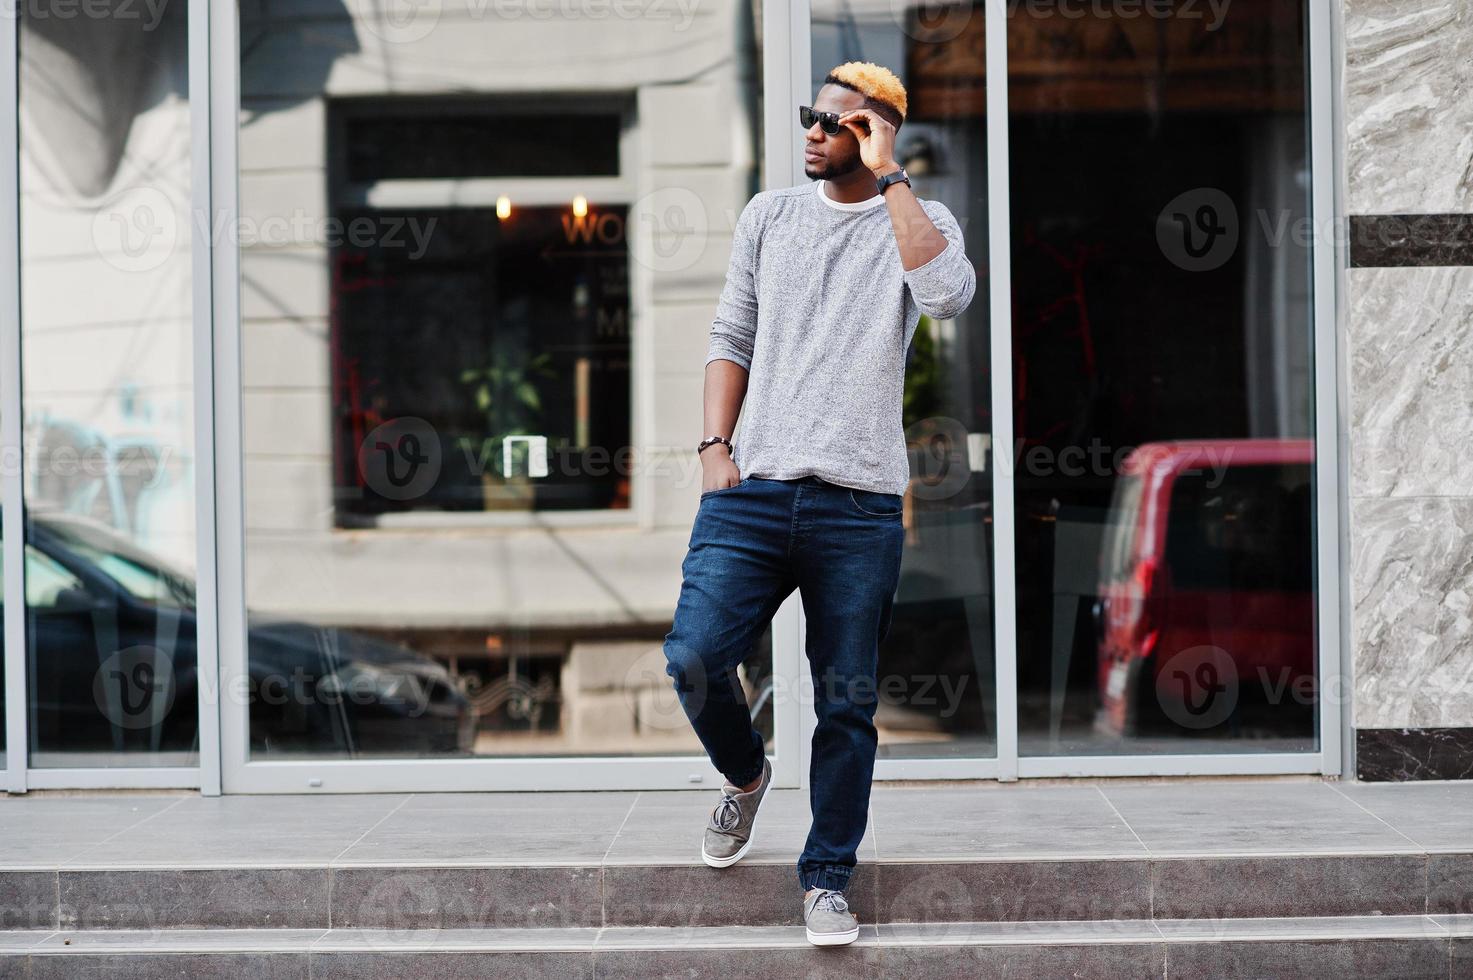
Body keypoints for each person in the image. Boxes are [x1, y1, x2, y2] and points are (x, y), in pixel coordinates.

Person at [661, 60, 977, 947]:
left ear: (872, 133)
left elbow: (949, 297)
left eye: (832, 120)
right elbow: (731, 334)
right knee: (692, 655)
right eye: (809, 115)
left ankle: (827, 879)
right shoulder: (768, 217)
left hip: (858, 508)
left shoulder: (918, 220)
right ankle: (746, 775)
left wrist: (894, 180)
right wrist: (715, 452)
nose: (810, 130)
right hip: (752, 493)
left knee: (845, 705)